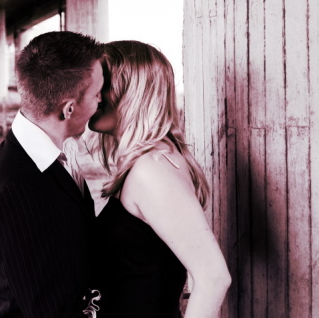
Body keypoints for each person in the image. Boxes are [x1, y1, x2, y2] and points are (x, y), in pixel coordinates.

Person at [87, 40, 231, 318]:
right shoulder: (149, 162)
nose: (96, 96)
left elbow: (213, 278)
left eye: (104, 85)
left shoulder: (152, 170)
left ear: (136, 92)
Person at [0, 31, 104, 317]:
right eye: (97, 93)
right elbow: (50, 310)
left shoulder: (52, 150)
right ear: (69, 108)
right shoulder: (20, 190)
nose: (101, 100)